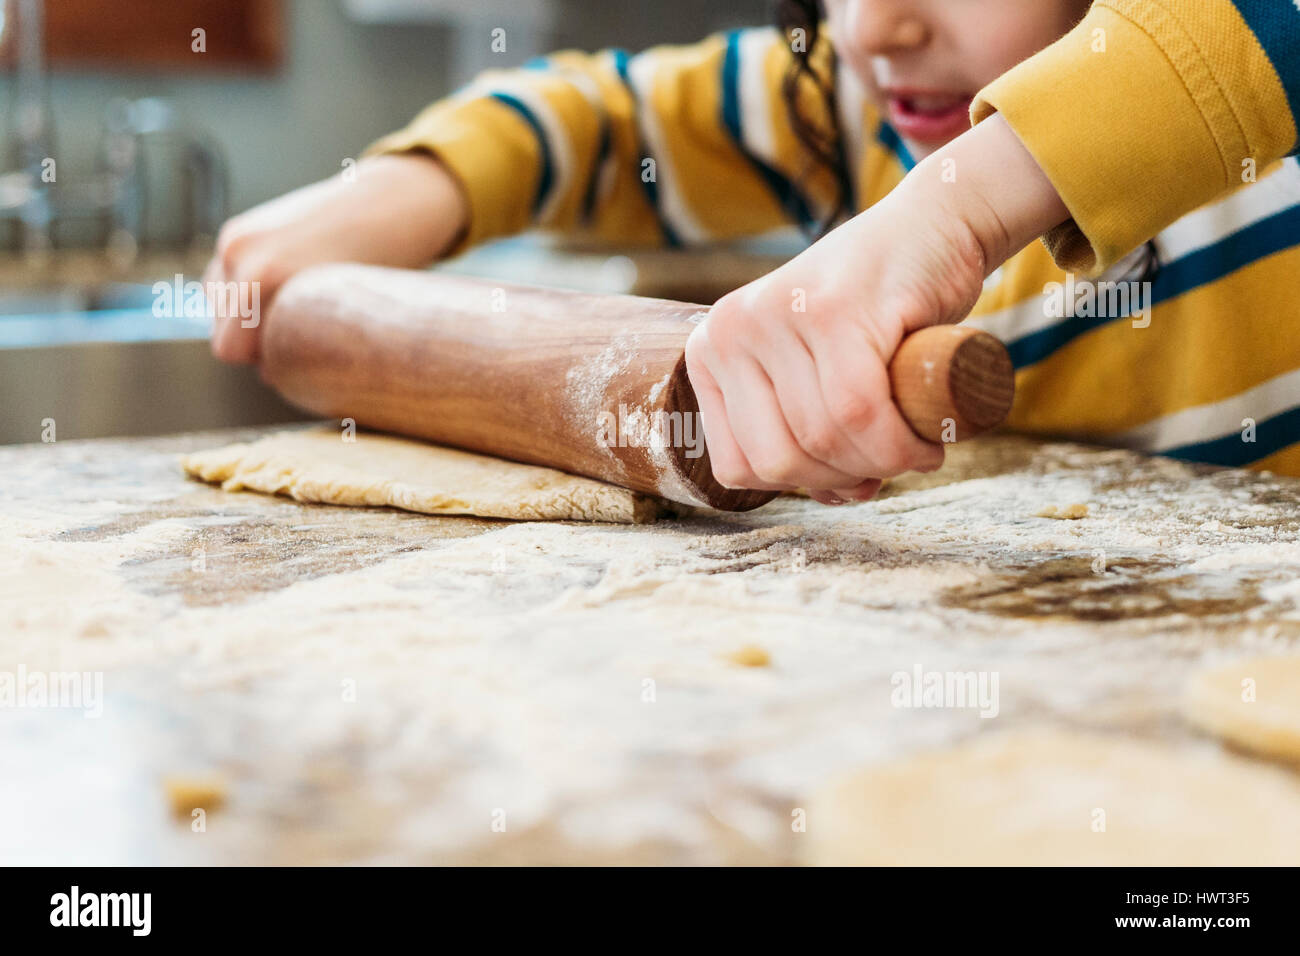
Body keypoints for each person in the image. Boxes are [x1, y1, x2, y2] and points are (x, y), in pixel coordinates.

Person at [207, 0, 1300, 505]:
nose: (877, 27)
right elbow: (607, 119)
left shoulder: (1257, 118)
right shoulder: (840, 107)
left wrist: (951, 213)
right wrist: (415, 190)